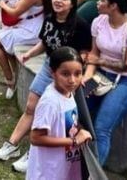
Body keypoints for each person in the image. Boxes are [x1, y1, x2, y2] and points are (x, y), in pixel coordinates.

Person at [0, 0, 92, 172]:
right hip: (48, 66)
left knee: (50, 115)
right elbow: (44, 42)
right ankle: (12, 144)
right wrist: (30, 54)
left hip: (65, 73)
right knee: (31, 107)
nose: (58, 1)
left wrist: (79, 74)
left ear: (72, 3)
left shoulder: (80, 25)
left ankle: (33, 153)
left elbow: (85, 53)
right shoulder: (49, 19)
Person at [82, 0, 127, 165]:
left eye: (102, 0)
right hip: (99, 75)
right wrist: (87, 77)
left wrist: (101, 62)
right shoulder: (99, 21)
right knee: (75, 111)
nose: (98, 3)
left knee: (101, 128)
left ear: (114, 6)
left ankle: (93, 174)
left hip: (126, 80)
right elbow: (93, 54)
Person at [27, 47, 92, 180]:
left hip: (64, 168)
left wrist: (80, 131)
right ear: (53, 73)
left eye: (78, 73)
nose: (72, 80)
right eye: (65, 74)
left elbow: (66, 123)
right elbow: (36, 138)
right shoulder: (50, 102)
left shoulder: (68, 93)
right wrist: (73, 141)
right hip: (48, 172)